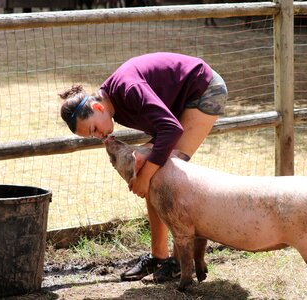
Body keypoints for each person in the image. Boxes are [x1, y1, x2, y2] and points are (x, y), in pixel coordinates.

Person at [59, 52, 228, 284]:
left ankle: (179, 263)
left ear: (98, 108)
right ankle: (159, 257)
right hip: (179, 104)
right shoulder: (113, 104)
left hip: (204, 89)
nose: (99, 136)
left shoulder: (129, 90)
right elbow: (164, 125)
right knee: (147, 169)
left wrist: (144, 178)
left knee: (161, 174)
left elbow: (171, 129)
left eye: (94, 130)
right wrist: (144, 170)